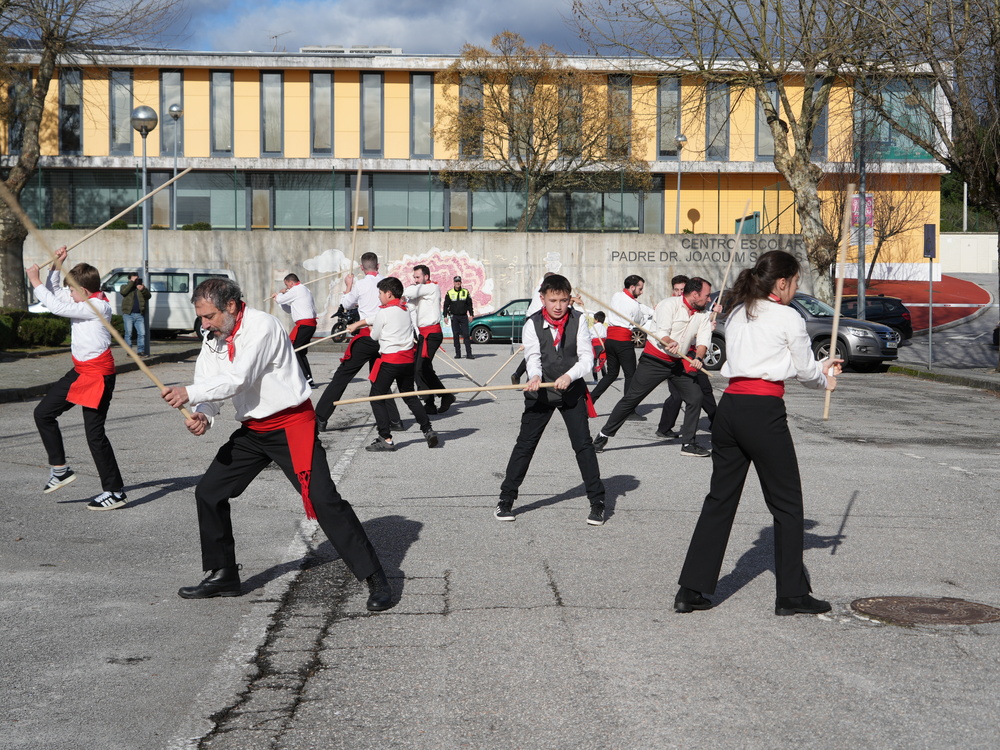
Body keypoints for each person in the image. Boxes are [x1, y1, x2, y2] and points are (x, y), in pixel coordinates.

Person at [160, 277, 394, 611]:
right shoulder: (214, 336)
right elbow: (209, 383)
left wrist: (190, 393)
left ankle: (376, 578)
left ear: (230, 306)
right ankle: (224, 574)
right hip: (253, 430)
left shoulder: (262, 326)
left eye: (209, 316)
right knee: (209, 492)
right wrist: (203, 414)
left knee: (324, 501)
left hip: (291, 425)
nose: (204, 323)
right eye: (201, 317)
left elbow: (239, 378)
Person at [674, 251, 841, 616]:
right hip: (762, 412)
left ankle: (691, 590)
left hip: (729, 408)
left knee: (720, 499)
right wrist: (824, 377)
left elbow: (761, 360)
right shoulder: (787, 316)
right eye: (796, 282)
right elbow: (804, 371)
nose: (797, 289)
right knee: (787, 504)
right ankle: (791, 595)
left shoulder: (737, 313)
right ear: (781, 283)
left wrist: (821, 367)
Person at [495, 274, 606, 526]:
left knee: (583, 446)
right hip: (541, 392)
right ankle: (506, 500)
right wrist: (534, 375)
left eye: (563, 300)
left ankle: (597, 502)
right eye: (553, 300)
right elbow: (533, 356)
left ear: (570, 299)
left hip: (571, 389)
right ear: (542, 298)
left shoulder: (579, 321)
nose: (558, 306)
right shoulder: (531, 323)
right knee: (525, 445)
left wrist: (569, 376)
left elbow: (587, 359)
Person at [27, 246, 127, 510]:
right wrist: (55, 268)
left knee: (95, 435)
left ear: (83, 291)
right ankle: (60, 470)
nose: (69, 294)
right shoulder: (83, 300)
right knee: (43, 413)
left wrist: (35, 281)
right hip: (81, 371)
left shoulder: (97, 307)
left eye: (73, 290)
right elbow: (58, 294)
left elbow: (56, 305)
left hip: (98, 375)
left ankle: (115, 491)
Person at [593, 278, 714, 458]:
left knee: (695, 396)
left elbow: (703, 340)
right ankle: (602, 436)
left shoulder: (702, 315)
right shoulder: (668, 305)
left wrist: (698, 357)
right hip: (655, 360)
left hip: (678, 363)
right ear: (695, 295)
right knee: (632, 398)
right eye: (707, 295)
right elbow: (662, 333)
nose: (709, 299)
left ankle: (688, 443)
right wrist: (668, 341)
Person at [346, 277, 439, 452]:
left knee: (376, 396)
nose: (379, 297)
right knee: (409, 396)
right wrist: (359, 323)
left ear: (388, 294)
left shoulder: (384, 312)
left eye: (380, 293)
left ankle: (385, 438)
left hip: (390, 361)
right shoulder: (405, 309)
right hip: (407, 361)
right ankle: (428, 429)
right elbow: (381, 317)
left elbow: (374, 337)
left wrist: (371, 329)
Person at [315, 252, 402, 432]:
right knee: (380, 378)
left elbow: (346, 305)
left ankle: (320, 418)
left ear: (362, 268)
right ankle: (395, 421)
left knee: (341, 377)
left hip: (366, 336)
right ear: (378, 266)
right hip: (384, 338)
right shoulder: (388, 282)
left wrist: (348, 286)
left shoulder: (360, 284)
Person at [656, 274, 717, 439]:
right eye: (676, 290)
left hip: (692, 354)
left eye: (682, 290)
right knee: (677, 395)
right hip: (673, 356)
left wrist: (710, 319)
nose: (678, 293)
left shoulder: (697, 308)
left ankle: (716, 422)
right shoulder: (670, 306)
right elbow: (661, 332)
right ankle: (664, 428)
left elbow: (701, 328)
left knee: (704, 389)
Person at [403, 265, 454, 415]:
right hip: (423, 334)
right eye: (414, 277)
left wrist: (407, 292)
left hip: (432, 334)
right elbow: (409, 305)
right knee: (423, 368)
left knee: (421, 368)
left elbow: (408, 292)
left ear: (426, 276)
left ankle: (445, 396)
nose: (415, 280)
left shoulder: (432, 287)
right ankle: (430, 403)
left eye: (418, 277)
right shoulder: (421, 291)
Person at [589, 274, 646, 407]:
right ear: (632, 287)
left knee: (611, 374)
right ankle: (628, 409)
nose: (641, 292)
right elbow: (639, 321)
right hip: (623, 341)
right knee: (631, 375)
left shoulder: (616, 295)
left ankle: (591, 400)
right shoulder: (634, 305)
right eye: (640, 289)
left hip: (611, 341)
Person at [272, 273, 318, 388]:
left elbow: (281, 299)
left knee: (295, 350)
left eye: (287, 284)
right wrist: (279, 299)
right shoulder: (304, 290)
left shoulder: (297, 289)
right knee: (300, 351)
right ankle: (308, 378)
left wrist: (279, 294)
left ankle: (306, 378)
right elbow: (289, 309)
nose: (287, 287)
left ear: (291, 282)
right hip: (307, 325)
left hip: (304, 325)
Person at [511, 272, 555, 385]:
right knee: (538, 350)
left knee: (534, 349)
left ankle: (518, 374)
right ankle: (529, 377)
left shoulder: (539, 287)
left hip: (533, 317)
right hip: (537, 319)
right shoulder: (545, 290)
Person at [119, 272, 151, 356]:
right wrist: (131, 283)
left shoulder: (140, 287)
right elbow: (123, 292)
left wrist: (143, 289)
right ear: (130, 279)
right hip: (128, 314)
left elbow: (148, 296)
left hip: (139, 314)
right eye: (134, 279)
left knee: (142, 333)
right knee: (128, 333)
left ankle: (141, 351)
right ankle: (129, 352)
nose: (136, 280)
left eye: (137, 279)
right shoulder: (125, 286)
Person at [443, 275, 475, 359]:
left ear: (461, 282)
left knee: (466, 335)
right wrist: (445, 316)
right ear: (453, 283)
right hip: (455, 317)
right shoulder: (450, 292)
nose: (457, 283)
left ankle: (469, 353)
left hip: (464, 316)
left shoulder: (465, 292)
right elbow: (446, 305)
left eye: (459, 281)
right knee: (456, 334)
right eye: (456, 281)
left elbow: (469, 305)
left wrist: (471, 314)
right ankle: (458, 353)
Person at [590, 311, 608, 383]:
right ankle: (605, 378)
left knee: (594, 362)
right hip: (603, 345)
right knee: (602, 362)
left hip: (595, 344)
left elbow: (589, 336)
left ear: (596, 319)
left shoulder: (593, 327)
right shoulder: (604, 327)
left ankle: (595, 379)